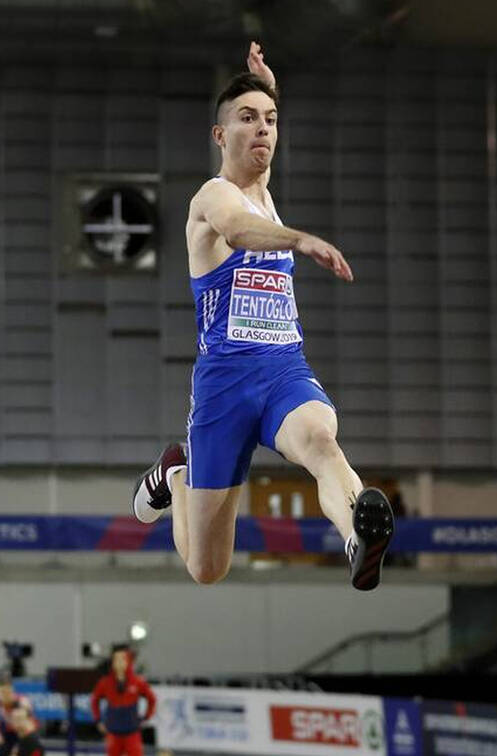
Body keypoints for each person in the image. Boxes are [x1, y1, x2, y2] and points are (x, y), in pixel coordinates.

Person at [130, 41, 394, 591]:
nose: (263, 130)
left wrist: (267, 85)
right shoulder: (213, 198)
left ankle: (357, 536)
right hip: (225, 384)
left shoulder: (264, 192)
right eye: (248, 119)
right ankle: (175, 474)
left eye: (271, 120)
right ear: (219, 135)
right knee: (208, 568)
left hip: (282, 371)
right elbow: (238, 229)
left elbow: (260, 151)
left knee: (321, 441)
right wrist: (299, 240)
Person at [90, 646, 157, 756]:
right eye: (116, 660)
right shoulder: (105, 683)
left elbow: (152, 699)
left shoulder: (137, 682)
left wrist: (146, 717)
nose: (119, 663)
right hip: (113, 732)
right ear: (112, 663)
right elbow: (94, 700)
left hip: (132, 732)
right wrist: (98, 720)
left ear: (128, 662)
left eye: (122, 659)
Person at [0, 673, 36, 756]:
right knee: (2, 749)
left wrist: (19, 745)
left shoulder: (22, 702)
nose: (5, 695)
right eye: (2, 692)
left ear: (12, 690)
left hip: (26, 733)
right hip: (10, 731)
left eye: (7, 692)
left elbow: (27, 726)